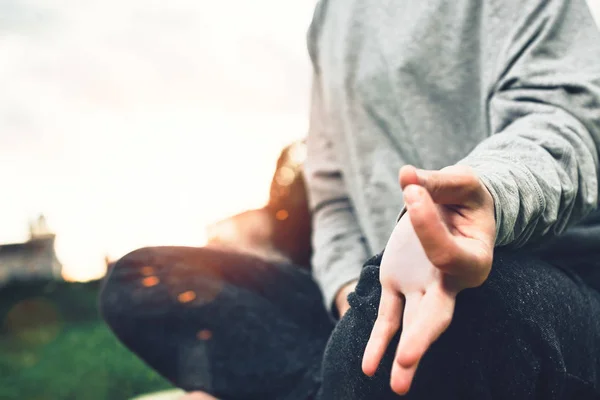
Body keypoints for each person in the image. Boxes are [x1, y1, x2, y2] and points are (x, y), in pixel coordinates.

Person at [100, 0, 600, 399]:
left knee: (460, 321)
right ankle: (347, 367)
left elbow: (563, 119)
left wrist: (481, 196)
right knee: (141, 281)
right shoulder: (329, 15)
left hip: (539, 271)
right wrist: (344, 292)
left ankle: (343, 369)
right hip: (373, 288)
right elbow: (331, 192)